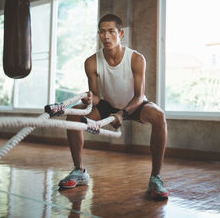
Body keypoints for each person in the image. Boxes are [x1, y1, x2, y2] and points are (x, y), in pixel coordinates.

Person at [58, 14, 169, 199]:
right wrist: (88, 99)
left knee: (159, 116)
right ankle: (79, 171)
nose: (106, 36)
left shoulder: (136, 59)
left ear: (121, 34)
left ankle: (155, 178)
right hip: (107, 106)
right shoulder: (91, 62)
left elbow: (139, 96)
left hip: (134, 105)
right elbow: (96, 96)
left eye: (111, 31)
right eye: (102, 32)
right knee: (74, 115)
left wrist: (122, 114)